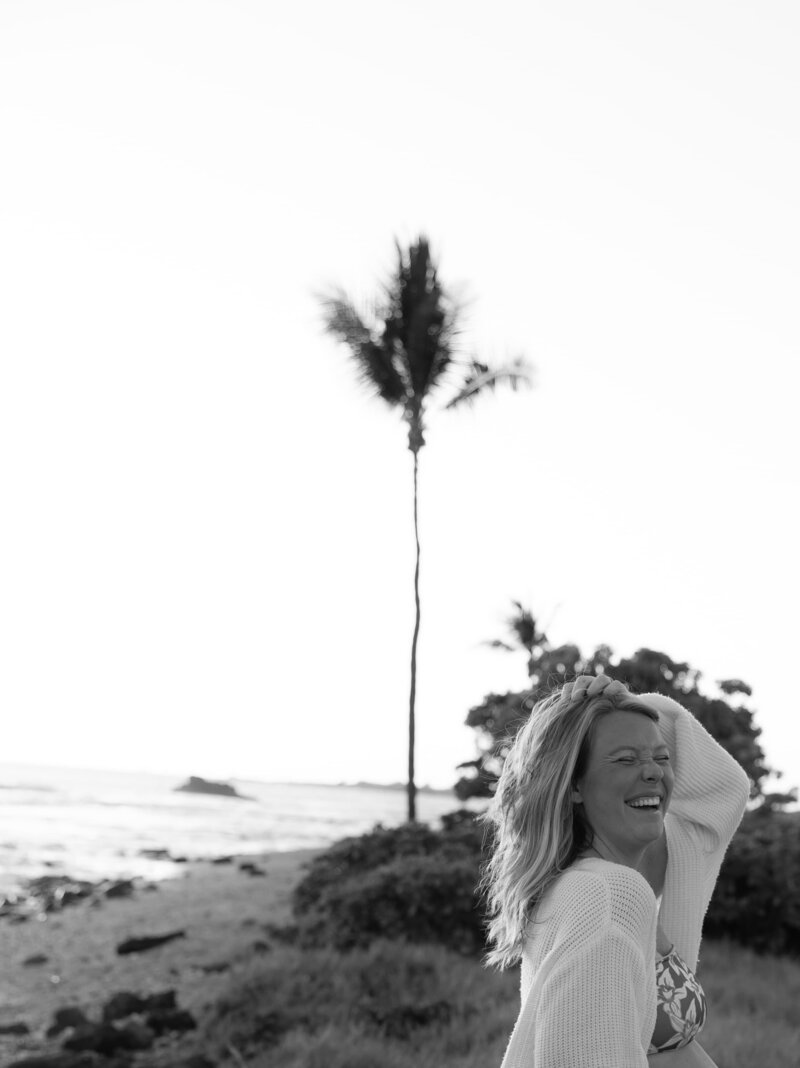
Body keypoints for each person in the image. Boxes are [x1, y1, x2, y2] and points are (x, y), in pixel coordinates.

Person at [484, 673, 750, 1068]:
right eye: (625, 759)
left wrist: (630, 705)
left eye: (661, 758)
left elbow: (724, 791)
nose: (654, 772)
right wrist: (609, 714)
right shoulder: (609, 894)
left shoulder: (614, 876)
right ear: (574, 785)